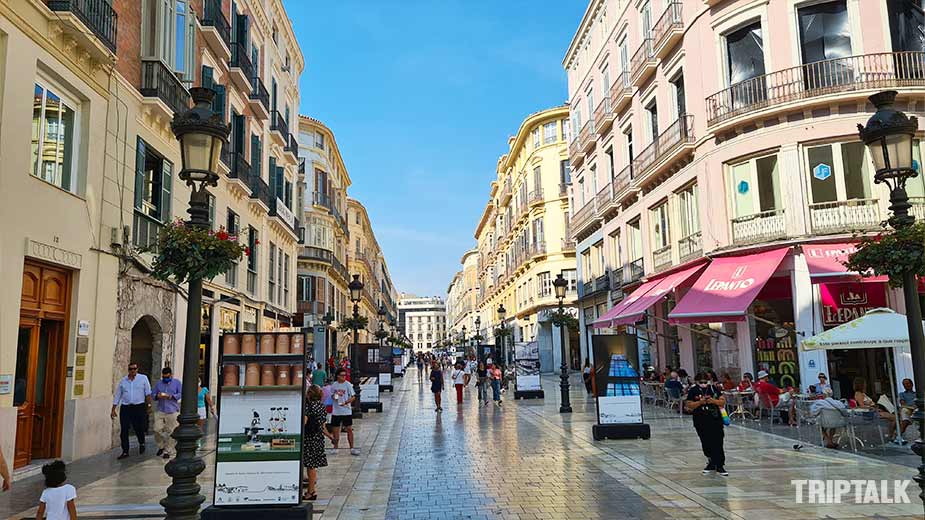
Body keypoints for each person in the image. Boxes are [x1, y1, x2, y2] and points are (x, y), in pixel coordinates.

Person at [686, 373, 728, 476]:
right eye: (701, 382)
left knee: (718, 441)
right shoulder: (693, 390)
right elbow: (689, 405)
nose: (704, 384)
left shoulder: (713, 389)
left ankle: (719, 464)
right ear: (697, 382)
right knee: (706, 442)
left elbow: (722, 401)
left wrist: (713, 401)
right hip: (700, 420)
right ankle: (711, 461)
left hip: (715, 420)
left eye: (706, 382)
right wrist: (700, 403)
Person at [111, 362, 152, 459]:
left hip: (139, 407)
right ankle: (125, 451)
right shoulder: (123, 381)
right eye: (130, 369)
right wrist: (113, 409)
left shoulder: (143, 378)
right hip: (126, 407)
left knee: (139, 427)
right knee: (124, 429)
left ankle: (141, 442)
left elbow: (148, 393)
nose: (133, 370)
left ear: (137, 369)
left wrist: (149, 406)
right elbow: (118, 395)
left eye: (134, 368)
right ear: (128, 370)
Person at [302, 384, 334, 501]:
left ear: (309, 394)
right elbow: (322, 426)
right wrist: (330, 436)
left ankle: (311, 491)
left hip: (309, 439)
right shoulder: (321, 406)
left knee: (310, 467)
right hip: (318, 439)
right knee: (312, 466)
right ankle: (312, 490)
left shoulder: (308, 407)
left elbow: (304, 423)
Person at [152, 367, 181, 459]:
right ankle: (161, 446)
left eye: (167, 377)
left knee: (172, 431)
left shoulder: (177, 383)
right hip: (161, 410)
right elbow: (153, 395)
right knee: (157, 429)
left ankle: (168, 450)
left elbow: (180, 393)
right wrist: (157, 396)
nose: (165, 379)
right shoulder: (158, 383)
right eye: (164, 377)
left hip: (172, 410)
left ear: (171, 375)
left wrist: (171, 396)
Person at [329, 368, 359, 456]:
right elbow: (332, 396)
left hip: (346, 410)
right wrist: (336, 396)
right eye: (342, 375)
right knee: (335, 430)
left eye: (345, 375)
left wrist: (346, 402)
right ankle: (335, 447)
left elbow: (353, 396)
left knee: (349, 429)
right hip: (336, 410)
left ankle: (352, 447)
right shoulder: (334, 385)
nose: (344, 377)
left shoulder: (348, 385)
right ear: (338, 376)